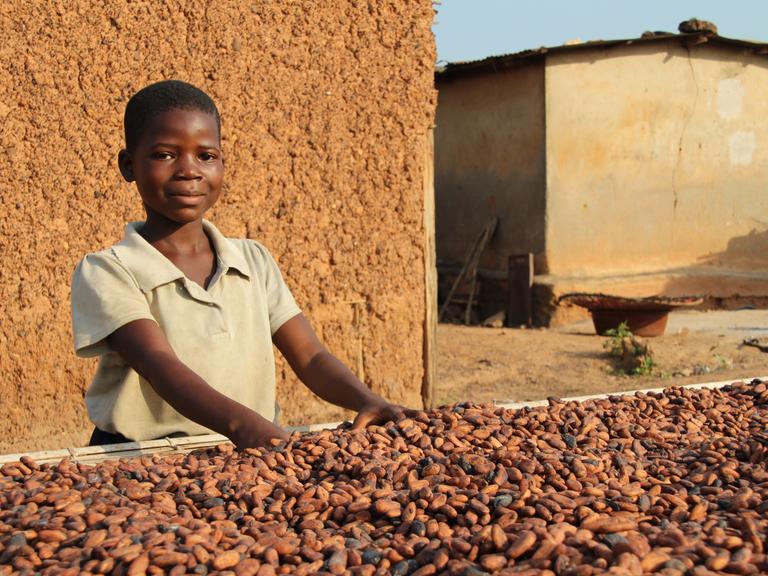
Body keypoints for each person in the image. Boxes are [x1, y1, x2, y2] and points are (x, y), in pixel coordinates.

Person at [71, 80, 410, 448]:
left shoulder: (253, 260)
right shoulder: (110, 270)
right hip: (140, 457)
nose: (189, 171)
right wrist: (241, 425)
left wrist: (365, 399)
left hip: (248, 451)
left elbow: (310, 356)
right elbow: (158, 364)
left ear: (222, 163)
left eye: (206, 156)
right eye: (165, 154)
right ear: (128, 165)